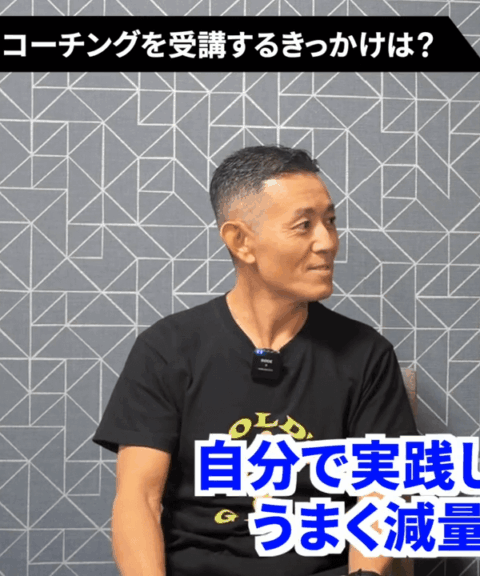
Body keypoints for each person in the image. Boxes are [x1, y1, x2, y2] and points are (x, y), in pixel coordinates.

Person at [94, 145, 416, 576]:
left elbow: (381, 499)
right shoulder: (167, 349)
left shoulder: (366, 354)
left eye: (330, 221)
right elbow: (138, 498)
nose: (328, 242)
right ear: (240, 241)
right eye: (304, 225)